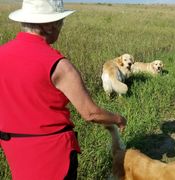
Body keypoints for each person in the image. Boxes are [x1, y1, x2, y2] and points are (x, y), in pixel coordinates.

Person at [0, 0, 127, 179]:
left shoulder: (1, 53)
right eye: (61, 21)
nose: (61, 26)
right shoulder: (60, 65)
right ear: (50, 25)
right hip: (54, 157)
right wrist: (118, 119)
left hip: (15, 151)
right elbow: (91, 113)